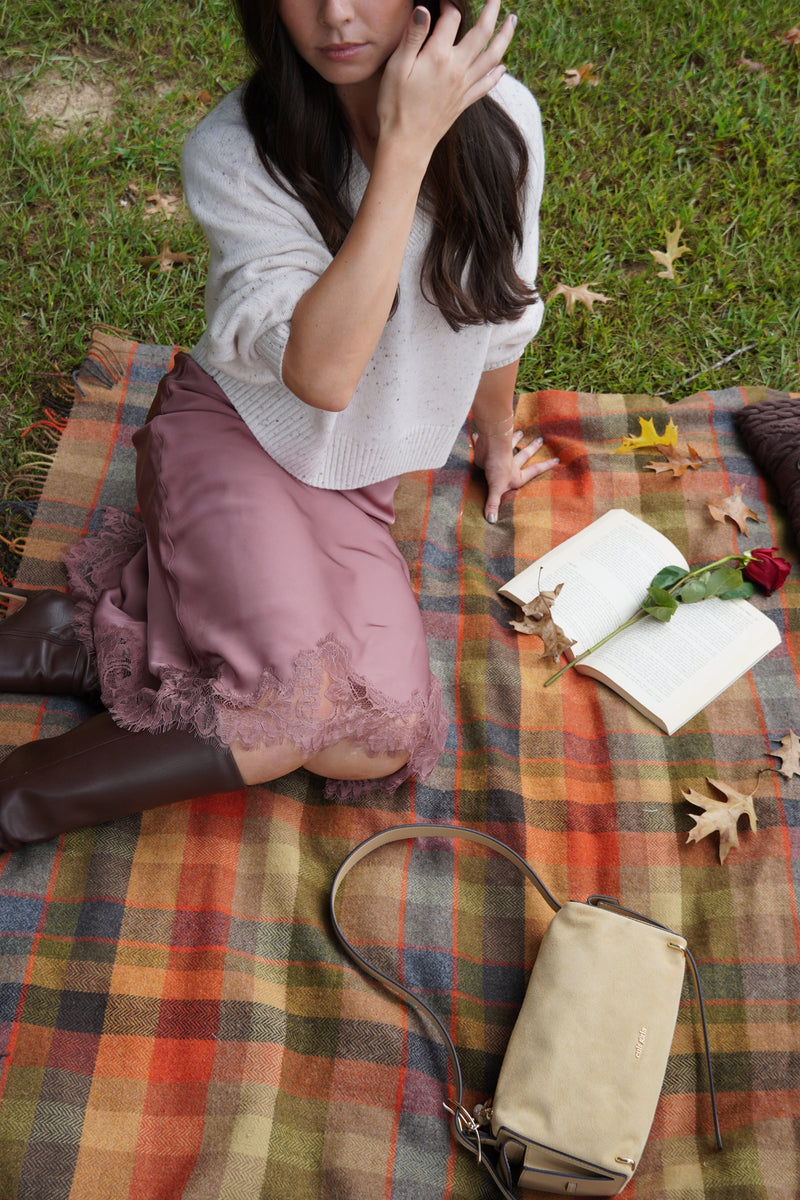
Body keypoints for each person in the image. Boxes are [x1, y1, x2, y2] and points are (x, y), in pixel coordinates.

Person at [0, 0, 556, 854]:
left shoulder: (504, 119)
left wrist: (492, 431)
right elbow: (322, 375)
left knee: (370, 737)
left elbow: (500, 308)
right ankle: (17, 799)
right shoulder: (234, 151)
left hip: (351, 487)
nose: (334, 14)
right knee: (277, 716)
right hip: (234, 437)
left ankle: (81, 642)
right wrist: (405, 151)